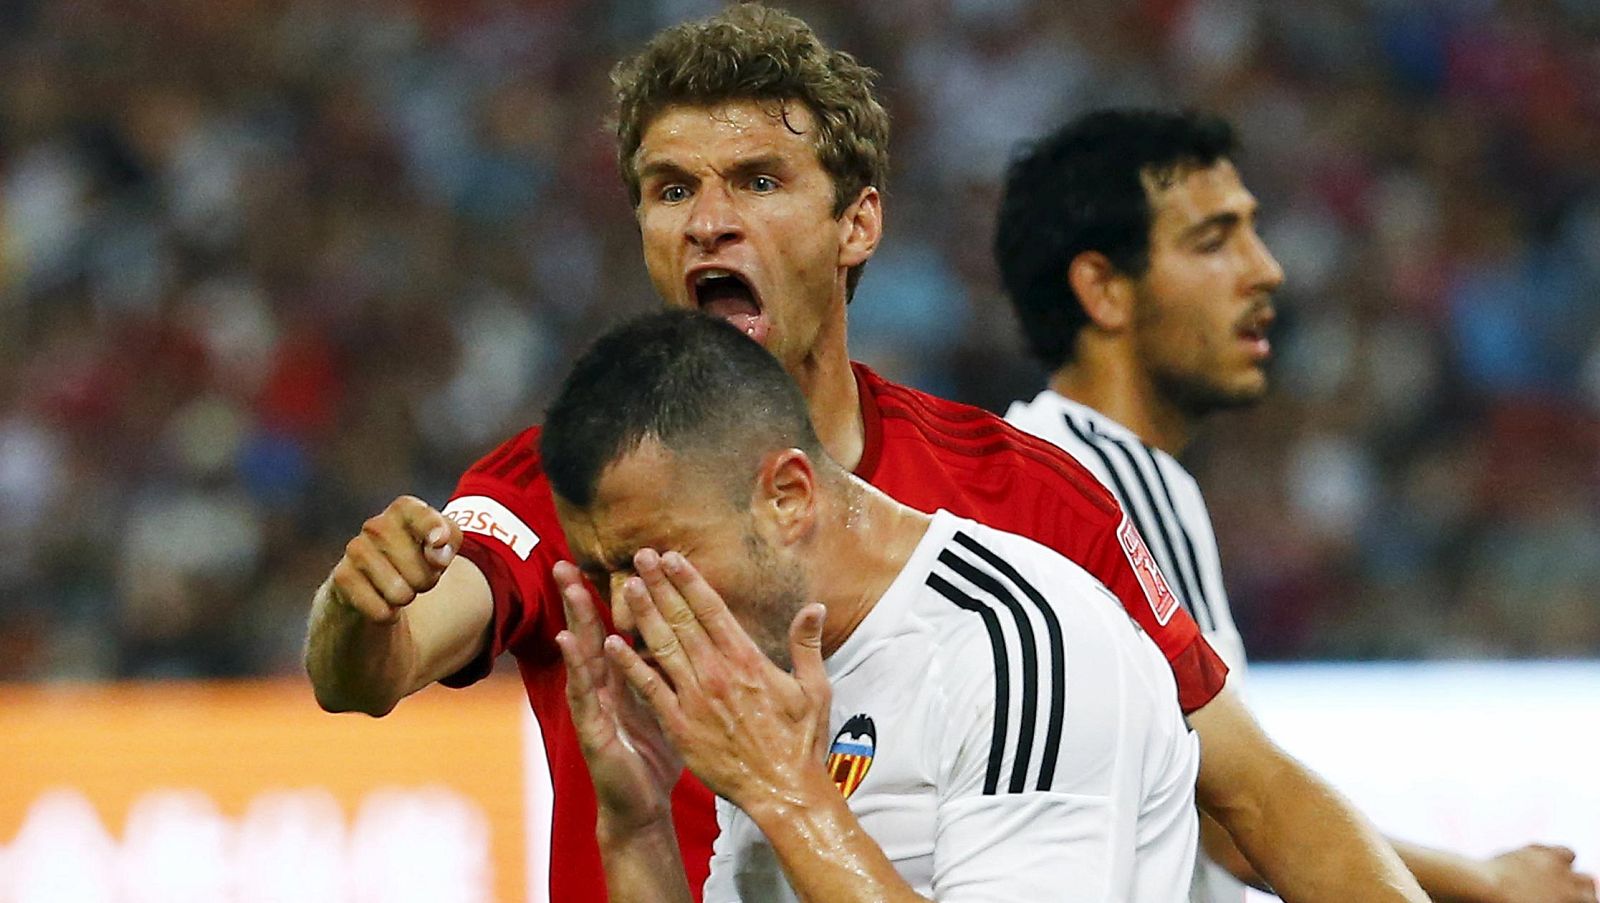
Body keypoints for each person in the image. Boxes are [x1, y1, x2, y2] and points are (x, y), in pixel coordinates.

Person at [305, 6, 1423, 901]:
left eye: (756, 180)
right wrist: (361, 609)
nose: (707, 222)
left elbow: (1256, 798)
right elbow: (376, 667)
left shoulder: (1022, 498)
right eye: (671, 188)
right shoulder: (570, 480)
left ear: (858, 224)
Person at [996, 107, 1599, 903]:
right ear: (1103, 288)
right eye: (1214, 241)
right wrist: (1488, 882)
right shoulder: (1099, 480)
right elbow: (1237, 817)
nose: (1266, 269)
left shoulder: (1045, 463)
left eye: (1252, 231)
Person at [542, 309, 1202, 901]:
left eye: (650, 558)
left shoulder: (1025, 647)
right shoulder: (769, 679)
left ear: (788, 497)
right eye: (605, 572)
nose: (626, 614)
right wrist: (639, 828)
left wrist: (787, 792)